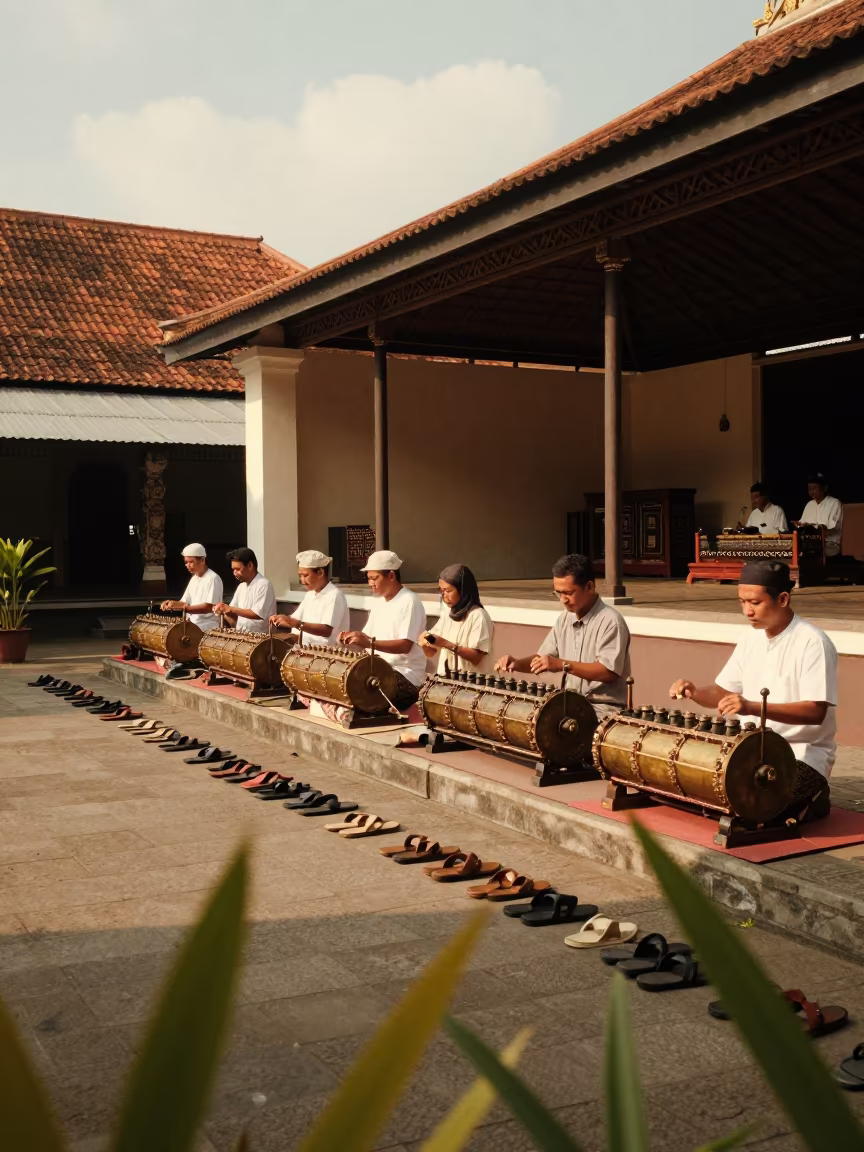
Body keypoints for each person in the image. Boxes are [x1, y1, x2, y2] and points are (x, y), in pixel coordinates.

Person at [669, 560, 835, 822]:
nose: (747, 610)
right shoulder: (750, 638)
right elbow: (723, 692)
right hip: (748, 751)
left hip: (799, 754)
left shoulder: (813, 642)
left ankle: (814, 796)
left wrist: (751, 707)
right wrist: (694, 691)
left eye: (754, 603)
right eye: (742, 602)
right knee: (696, 784)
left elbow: (816, 711)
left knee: (748, 804)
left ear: (782, 599)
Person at [495, 554, 631, 718]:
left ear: (589, 587)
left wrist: (562, 665)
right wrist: (516, 663)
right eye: (558, 593)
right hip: (571, 704)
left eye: (568, 593)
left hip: (603, 709)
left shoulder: (611, 621)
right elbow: (544, 658)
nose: (563, 600)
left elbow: (607, 671)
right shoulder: (565, 618)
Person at [340, 549, 427, 709]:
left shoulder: (410, 601)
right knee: (338, 683)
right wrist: (353, 637)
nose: (370, 583)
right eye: (369, 579)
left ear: (391, 576)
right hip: (378, 669)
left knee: (359, 694)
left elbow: (405, 646)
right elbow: (368, 637)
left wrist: (369, 643)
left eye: (375, 578)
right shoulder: (379, 602)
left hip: (405, 674)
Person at [419, 563, 494, 675]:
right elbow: (432, 652)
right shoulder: (448, 614)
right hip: (447, 681)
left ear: (462, 591)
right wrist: (425, 643)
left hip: (473, 684)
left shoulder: (478, 616)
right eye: (441, 591)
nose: (444, 596)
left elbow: (476, 657)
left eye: (448, 591)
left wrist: (446, 644)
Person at [269, 549, 349, 645]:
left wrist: (294, 623)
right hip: (303, 648)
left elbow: (326, 631)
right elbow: (294, 619)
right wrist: (281, 619)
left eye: (305, 575)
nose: (302, 580)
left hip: (325, 653)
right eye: (300, 576)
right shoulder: (310, 594)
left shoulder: (335, 595)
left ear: (320, 573)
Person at [160, 543, 223, 631]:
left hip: (207, 626)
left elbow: (209, 607)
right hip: (192, 624)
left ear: (202, 560)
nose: (187, 565)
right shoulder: (194, 579)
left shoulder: (213, 578)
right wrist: (172, 604)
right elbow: (185, 602)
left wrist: (184, 608)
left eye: (191, 562)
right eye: (186, 562)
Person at [213, 547, 276, 634]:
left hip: (261, 639)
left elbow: (257, 614)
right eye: (233, 570)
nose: (235, 573)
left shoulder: (264, 584)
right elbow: (232, 612)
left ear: (250, 565)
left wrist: (230, 609)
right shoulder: (241, 587)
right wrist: (222, 610)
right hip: (242, 635)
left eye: (238, 569)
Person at [793, 473, 843, 557]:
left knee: (812, 552)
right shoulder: (809, 504)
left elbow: (834, 527)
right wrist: (799, 525)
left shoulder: (834, 503)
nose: (811, 491)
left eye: (814, 488)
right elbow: (803, 523)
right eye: (809, 489)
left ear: (824, 488)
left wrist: (814, 529)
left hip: (829, 543)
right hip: (811, 543)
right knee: (795, 549)